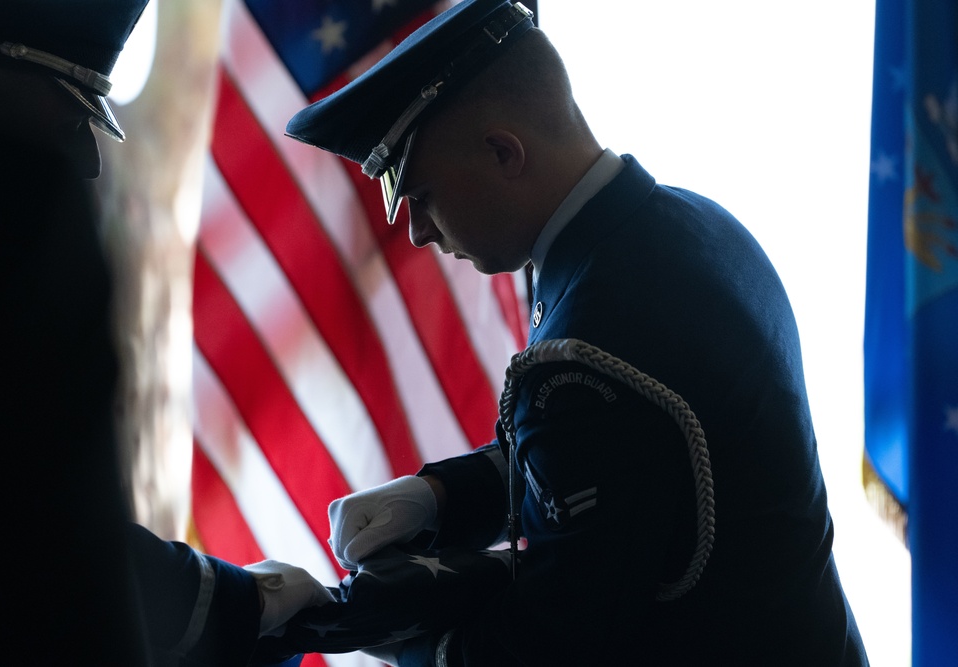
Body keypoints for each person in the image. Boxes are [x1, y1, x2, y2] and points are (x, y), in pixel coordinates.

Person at [283, 0, 870, 664]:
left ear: (504, 152)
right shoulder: (693, 226)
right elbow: (626, 458)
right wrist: (437, 496)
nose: (419, 231)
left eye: (420, 195)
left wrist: (397, 637)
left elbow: (550, 643)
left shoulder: (588, 353)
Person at [0, 2, 331, 665]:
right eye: (72, 113)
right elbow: (31, 532)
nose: (87, 160)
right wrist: (236, 600)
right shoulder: (4, 233)